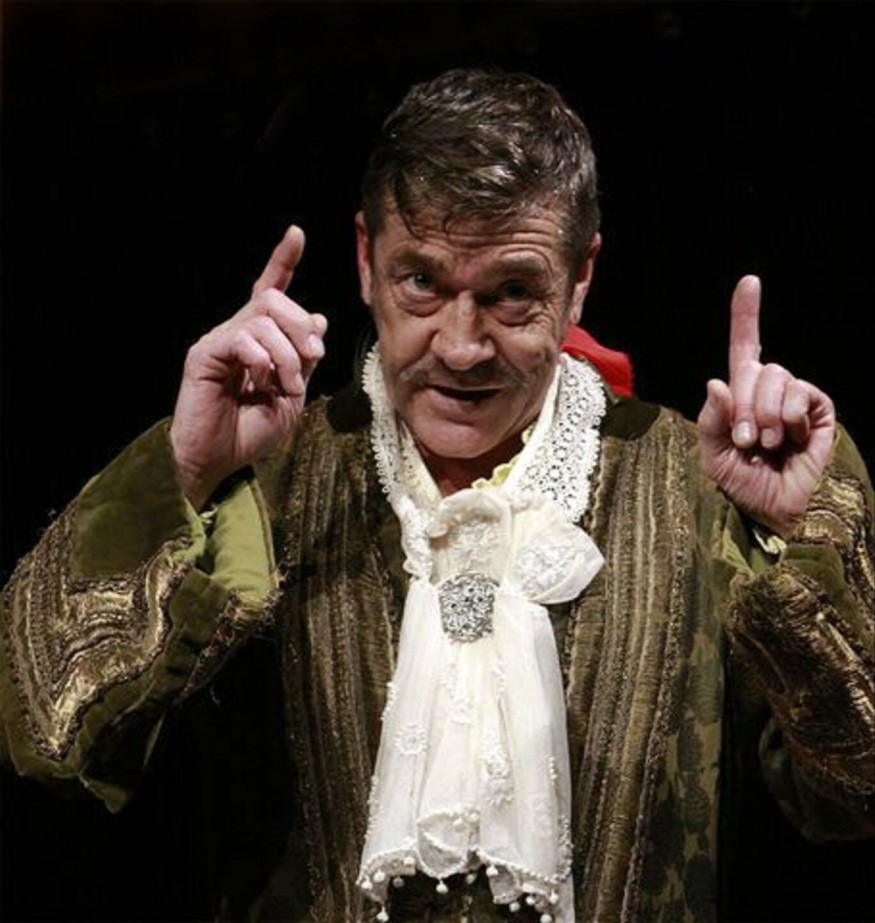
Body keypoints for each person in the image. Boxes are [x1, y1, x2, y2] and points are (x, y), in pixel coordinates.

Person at [1, 68, 872, 922]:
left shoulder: (694, 486)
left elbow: (854, 790)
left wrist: (800, 535)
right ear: (365, 260)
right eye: (421, 281)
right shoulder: (265, 483)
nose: (460, 346)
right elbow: (49, 737)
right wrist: (185, 467)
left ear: (580, 279)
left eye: (512, 292)